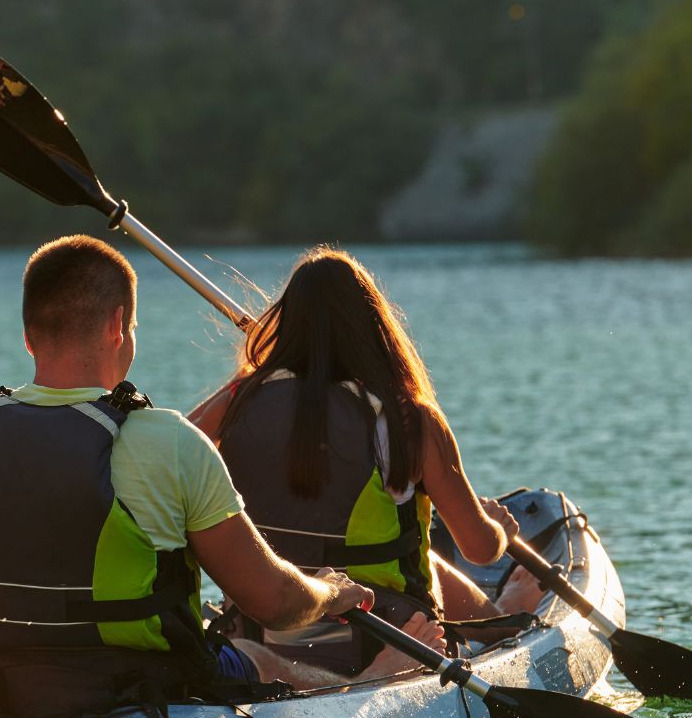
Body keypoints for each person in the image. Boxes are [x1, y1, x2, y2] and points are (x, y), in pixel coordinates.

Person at [0, 235, 411, 718]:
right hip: (138, 687)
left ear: (27, 335)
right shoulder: (169, 443)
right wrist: (330, 594)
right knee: (262, 658)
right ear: (118, 325)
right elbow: (272, 602)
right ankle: (369, 684)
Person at [189, 246, 532, 678]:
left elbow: (172, 450)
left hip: (262, 622)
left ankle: (492, 617)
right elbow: (480, 549)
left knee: (423, 553)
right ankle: (499, 620)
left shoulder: (240, 402)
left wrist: (250, 379)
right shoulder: (410, 419)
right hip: (381, 631)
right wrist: (501, 530)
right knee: (410, 551)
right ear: (375, 327)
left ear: (286, 325)